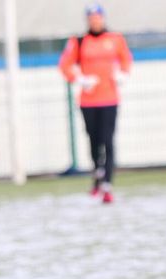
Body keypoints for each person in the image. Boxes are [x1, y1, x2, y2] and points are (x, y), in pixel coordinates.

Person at [58, 2, 133, 204]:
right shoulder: (79, 42)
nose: (95, 22)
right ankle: (97, 175)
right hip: (89, 100)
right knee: (94, 141)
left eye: (98, 18)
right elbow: (64, 66)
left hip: (109, 98)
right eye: (91, 18)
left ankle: (107, 185)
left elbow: (126, 60)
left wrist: (123, 74)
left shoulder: (115, 39)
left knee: (108, 140)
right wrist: (80, 79)